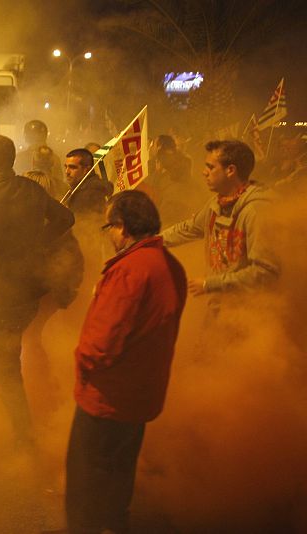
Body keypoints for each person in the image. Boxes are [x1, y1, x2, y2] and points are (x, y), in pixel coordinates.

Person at [66, 190, 187, 534]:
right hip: (142, 390)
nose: (109, 234)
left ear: (122, 227)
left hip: (108, 396)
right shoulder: (169, 264)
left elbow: (101, 342)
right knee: (119, 473)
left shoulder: (130, 270)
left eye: (109, 226)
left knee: (87, 481)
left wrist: (82, 365)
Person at [0, 135, 74, 445]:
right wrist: (38, 242)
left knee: (5, 367)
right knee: (19, 354)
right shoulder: (31, 189)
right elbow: (65, 218)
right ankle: (40, 412)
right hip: (28, 292)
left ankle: (23, 435)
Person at [161, 139, 279, 301]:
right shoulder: (215, 203)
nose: (204, 172)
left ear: (230, 170)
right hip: (219, 306)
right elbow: (189, 228)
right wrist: (153, 241)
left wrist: (210, 284)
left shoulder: (256, 210)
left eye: (210, 167)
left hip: (248, 313)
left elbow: (266, 273)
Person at [15, 120, 63, 186]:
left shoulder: (21, 157)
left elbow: (17, 181)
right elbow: (60, 181)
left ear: (27, 136)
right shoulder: (55, 157)